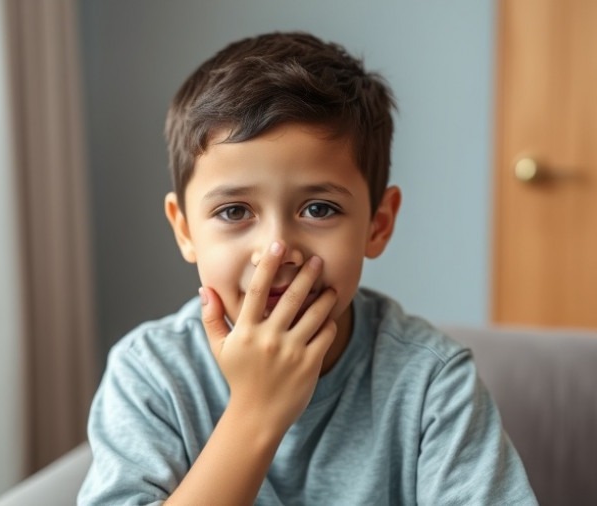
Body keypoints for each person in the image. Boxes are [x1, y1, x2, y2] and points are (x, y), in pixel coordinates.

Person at [78, 31, 536, 505]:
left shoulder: (431, 383)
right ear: (186, 230)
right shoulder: (151, 374)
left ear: (377, 225)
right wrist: (256, 413)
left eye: (319, 209)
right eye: (235, 212)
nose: (277, 251)